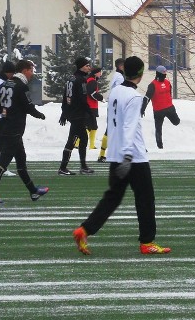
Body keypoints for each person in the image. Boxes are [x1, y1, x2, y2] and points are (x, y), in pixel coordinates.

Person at [72, 56, 171, 256]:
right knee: (145, 199)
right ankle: (147, 242)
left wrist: (119, 153)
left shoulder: (116, 91)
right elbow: (129, 127)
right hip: (133, 156)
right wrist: (127, 155)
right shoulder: (135, 97)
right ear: (141, 75)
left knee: (113, 198)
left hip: (116, 154)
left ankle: (85, 229)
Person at [0, 59, 49, 204]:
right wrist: (40, 115)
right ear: (24, 70)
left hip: (6, 127)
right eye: (31, 70)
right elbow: (28, 106)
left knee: (21, 162)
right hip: (14, 129)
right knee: (3, 163)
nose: (32, 73)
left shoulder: (6, 83)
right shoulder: (21, 86)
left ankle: (33, 191)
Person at [58, 56, 94, 175]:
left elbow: (65, 97)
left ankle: (83, 166)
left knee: (83, 138)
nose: (89, 67)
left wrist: (64, 112)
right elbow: (82, 99)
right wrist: (89, 112)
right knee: (72, 140)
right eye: (87, 65)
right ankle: (63, 168)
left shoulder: (71, 78)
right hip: (78, 113)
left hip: (72, 112)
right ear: (81, 67)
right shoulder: (81, 80)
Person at [141, 65, 180, 149]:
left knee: (177, 122)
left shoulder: (167, 82)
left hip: (169, 108)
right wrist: (142, 108)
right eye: (163, 74)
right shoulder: (152, 85)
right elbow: (146, 98)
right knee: (158, 128)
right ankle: (160, 146)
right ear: (158, 74)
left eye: (165, 74)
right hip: (159, 111)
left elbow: (169, 93)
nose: (164, 75)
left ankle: (174, 120)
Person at [98, 58, 125, 163]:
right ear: (120, 66)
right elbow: (119, 92)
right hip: (116, 106)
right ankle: (106, 154)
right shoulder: (119, 78)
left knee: (112, 129)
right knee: (113, 129)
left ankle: (103, 154)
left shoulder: (117, 75)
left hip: (113, 105)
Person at [85, 67, 103, 149]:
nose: (101, 74)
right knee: (91, 126)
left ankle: (90, 145)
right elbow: (92, 93)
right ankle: (78, 143)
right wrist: (100, 98)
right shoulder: (92, 81)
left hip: (89, 106)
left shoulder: (89, 80)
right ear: (96, 73)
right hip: (91, 106)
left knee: (91, 126)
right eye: (100, 72)